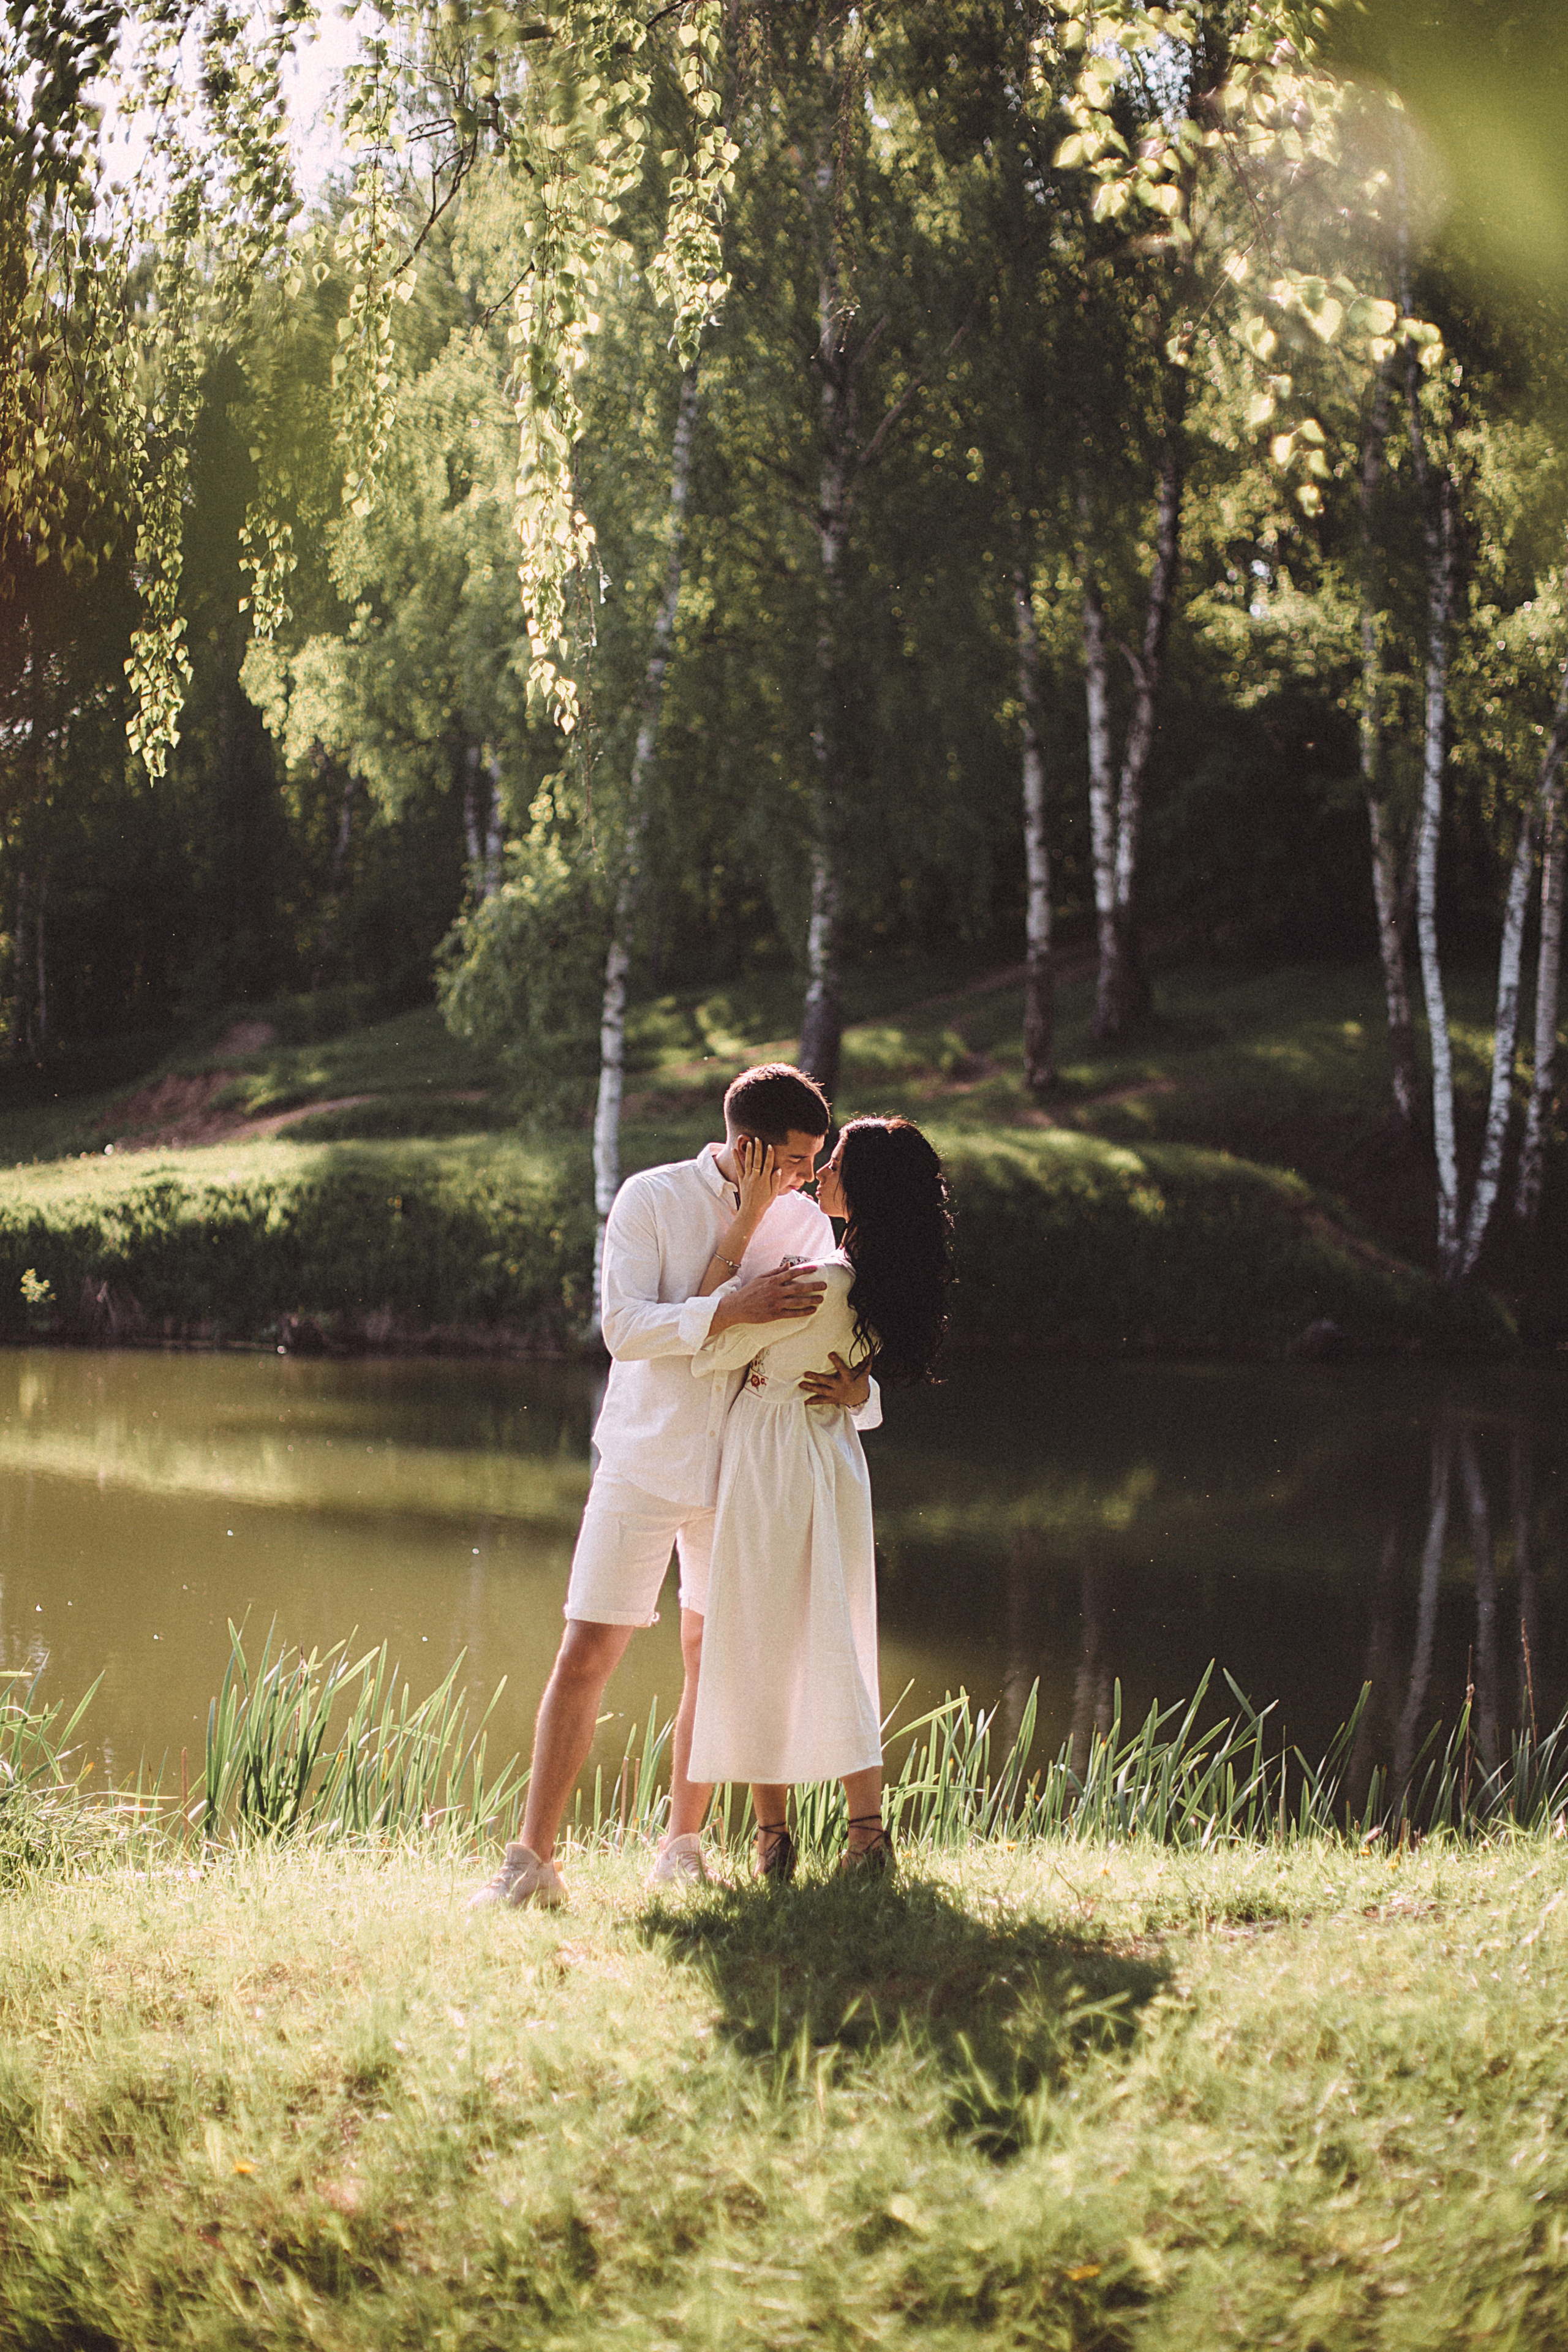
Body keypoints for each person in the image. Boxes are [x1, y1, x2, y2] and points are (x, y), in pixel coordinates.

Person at [469, 1063, 880, 1909]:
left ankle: (681, 1848)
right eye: (796, 1159)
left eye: (814, 1162)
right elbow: (623, 1329)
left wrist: (860, 1395)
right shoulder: (650, 1198)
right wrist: (730, 1305)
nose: (809, 1177)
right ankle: (531, 1863)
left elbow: (834, 1337)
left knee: (710, 1657)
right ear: (747, 1146)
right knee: (587, 1650)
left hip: (745, 1476)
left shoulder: (808, 1222)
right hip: (645, 1459)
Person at [685, 1115, 954, 1880]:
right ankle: (866, 1835)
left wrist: (737, 1293)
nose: (822, 1173)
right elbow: (855, 1380)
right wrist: (857, 1389)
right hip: (832, 1458)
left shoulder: (816, 1282)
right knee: (837, 1634)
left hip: (770, 1456)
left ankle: (774, 1839)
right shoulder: (878, 1288)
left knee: (757, 1633)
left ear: (864, 1186)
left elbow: (706, 1346)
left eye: (834, 1163)